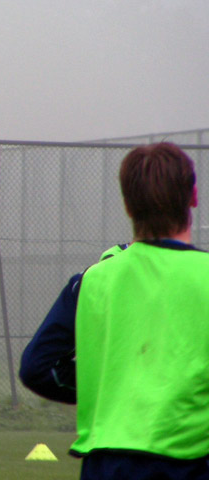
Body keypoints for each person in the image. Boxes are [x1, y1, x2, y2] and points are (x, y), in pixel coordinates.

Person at [19, 142, 209, 480]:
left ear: (127, 205)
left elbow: (37, 367)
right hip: (191, 460)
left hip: (107, 463)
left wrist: (111, 388)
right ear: (194, 196)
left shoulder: (93, 279)